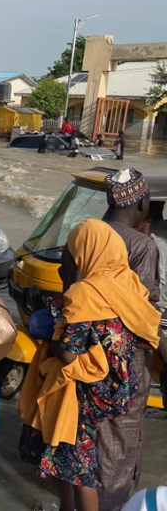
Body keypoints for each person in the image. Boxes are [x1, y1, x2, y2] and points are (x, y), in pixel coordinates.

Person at [19, 219, 160, 511]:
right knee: (73, 461)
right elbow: (143, 333)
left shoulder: (86, 293)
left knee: (79, 468)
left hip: (87, 391)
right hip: (118, 386)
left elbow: (70, 355)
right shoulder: (128, 283)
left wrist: (47, 336)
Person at [97, 168, 165, 511]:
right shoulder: (142, 246)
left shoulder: (85, 236)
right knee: (121, 446)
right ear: (141, 202)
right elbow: (144, 318)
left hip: (86, 358)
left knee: (92, 440)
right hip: (126, 365)